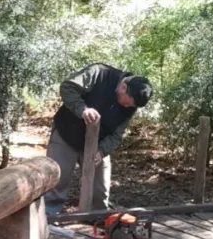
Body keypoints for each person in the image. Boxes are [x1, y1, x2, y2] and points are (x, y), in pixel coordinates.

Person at [45, 63, 153, 216]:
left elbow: (117, 135)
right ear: (123, 87)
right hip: (66, 133)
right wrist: (82, 109)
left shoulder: (132, 104)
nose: (127, 107)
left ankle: (97, 218)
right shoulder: (99, 73)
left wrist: (102, 151)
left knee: (100, 189)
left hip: (97, 144)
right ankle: (48, 217)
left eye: (131, 106)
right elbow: (67, 87)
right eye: (127, 102)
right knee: (57, 179)